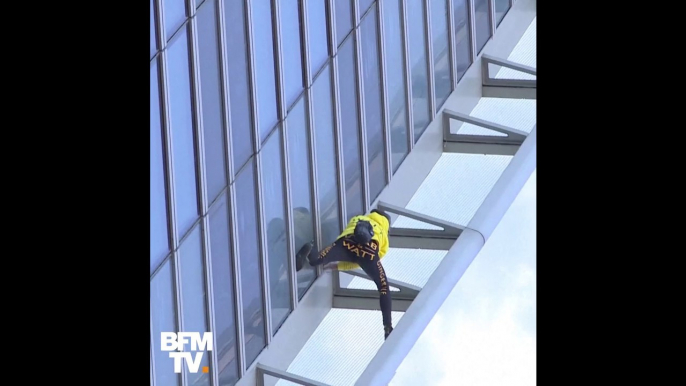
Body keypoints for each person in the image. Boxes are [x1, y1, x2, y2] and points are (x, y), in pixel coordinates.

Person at [296, 208, 393, 339]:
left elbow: (347, 230)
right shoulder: (384, 236)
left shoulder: (360, 218)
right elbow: (362, 261)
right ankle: (387, 326)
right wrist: (339, 266)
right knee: (383, 288)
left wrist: (339, 249)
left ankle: (310, 249)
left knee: (318, 259)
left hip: (347, 242)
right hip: (369, 253)